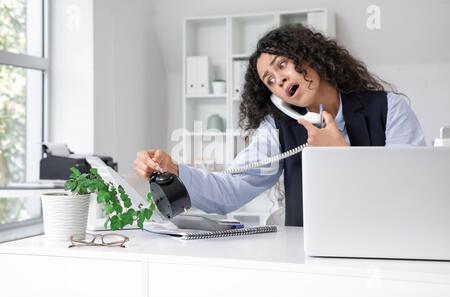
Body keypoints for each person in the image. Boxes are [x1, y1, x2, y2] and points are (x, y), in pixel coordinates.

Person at [134, 25, 426, 226]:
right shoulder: (278, 128)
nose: (280, 79)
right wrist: (176, 170)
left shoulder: (390, 108)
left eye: (282, 64)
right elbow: (232, 188)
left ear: (310, 57)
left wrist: (342, 155)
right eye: (270, 80)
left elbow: (411, 188)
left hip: (384, 248)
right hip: (309, 254)